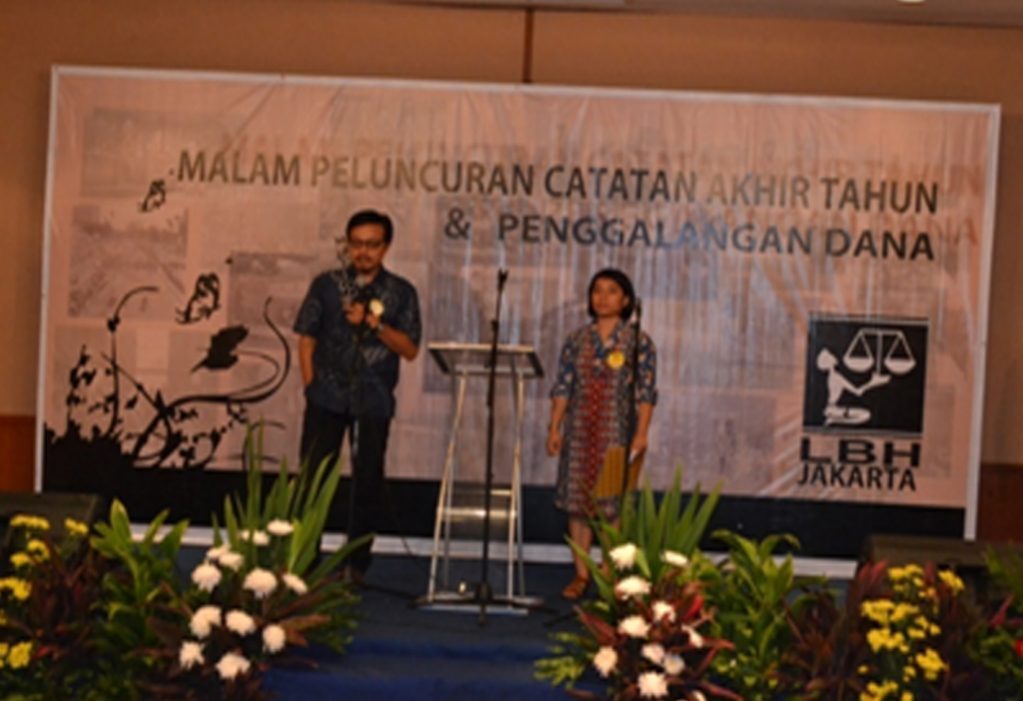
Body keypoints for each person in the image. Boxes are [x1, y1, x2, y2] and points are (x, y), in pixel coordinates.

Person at [294, 209, 421, 582]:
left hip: (374, 399)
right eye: (357, 244)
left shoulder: (401, 292)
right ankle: (305, 558)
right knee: (314, 478)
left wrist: (374, 324)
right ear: (348, 245)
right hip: (326, 397)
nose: (363, 252)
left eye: (372, 245)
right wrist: (311, 386)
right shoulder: (327, 285)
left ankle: (355, 563)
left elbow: (410, 349)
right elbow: (306, 337)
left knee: (367, 482)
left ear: (386, 247)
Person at [546, 268, 657, 600]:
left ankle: (608, 574)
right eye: (597, 290)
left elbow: (646, 393)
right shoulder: (576, 340)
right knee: (577, 506)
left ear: (625, 300)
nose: (603, 298)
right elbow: (563, 387)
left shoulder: (638, 342)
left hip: (615, 435)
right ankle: (581, 574)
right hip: (579, 435)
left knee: (612, 507)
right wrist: (555, 427)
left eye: (611, 291)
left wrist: (641, 434)